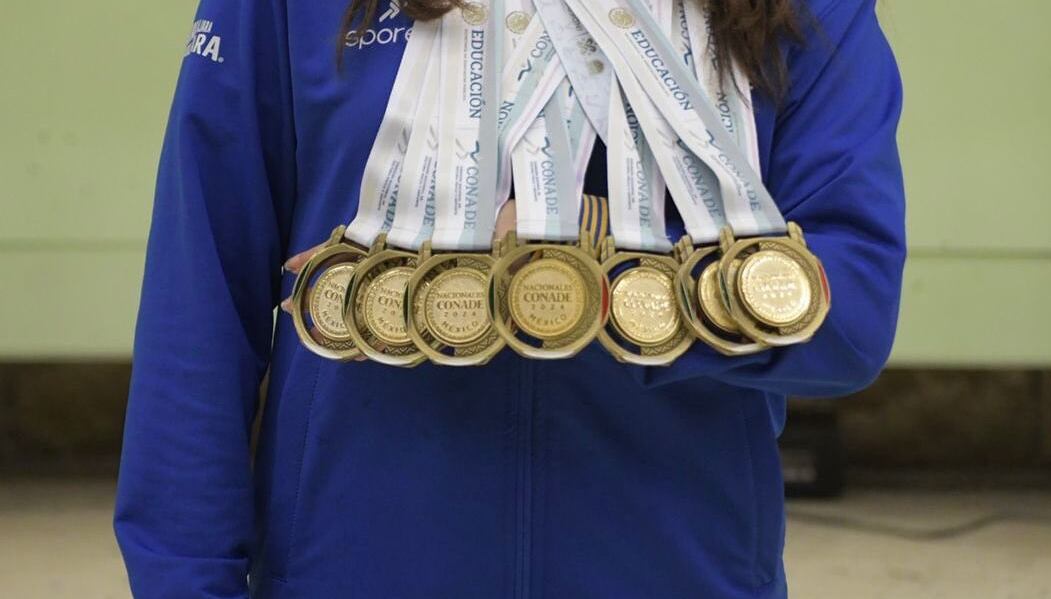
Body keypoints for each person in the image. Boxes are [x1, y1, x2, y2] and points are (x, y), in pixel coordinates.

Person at [114, 0, 905, 597]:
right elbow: (201, 295)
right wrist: (185, 580)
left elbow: (855, 309)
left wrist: (593, 280)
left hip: (677, 567)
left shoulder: (798, 8)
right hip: (354, 561)